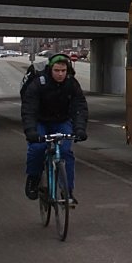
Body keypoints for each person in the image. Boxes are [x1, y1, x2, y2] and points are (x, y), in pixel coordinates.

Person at [21, 53, 88, 202]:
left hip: (61, 121)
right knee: (37, 148)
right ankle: (33, 178)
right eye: (57, 70)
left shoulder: (72, 84)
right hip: (40, 121)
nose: (60, 74)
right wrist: (31, 131)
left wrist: (80, 129)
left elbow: (79, 107)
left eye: (63, 71)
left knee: (65, 152)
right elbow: (29, 109)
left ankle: (67, 191)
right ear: (50, 69)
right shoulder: (39, 83)